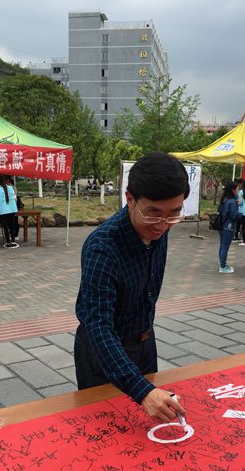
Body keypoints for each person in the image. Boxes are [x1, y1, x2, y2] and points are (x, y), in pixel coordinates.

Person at [74, 152, 189, 423]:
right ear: (130, 199)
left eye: (174, 214)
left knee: (150, 427)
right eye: (153, 214)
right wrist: (142, 391)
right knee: (105, 428)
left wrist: (146, 390)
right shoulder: (103, 248)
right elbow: (99, 326)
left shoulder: (158, 230)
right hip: (103, 353)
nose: (162, 225)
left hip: (145, 342)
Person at [218, 181, 239, 273]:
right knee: (225, 247)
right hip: (229, 226)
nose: (238, 191)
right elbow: (233, 215)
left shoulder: (224, 199)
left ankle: (222, 264)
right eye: (237, 189)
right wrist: (240, 214)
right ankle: (223, 267)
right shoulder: (232, 202)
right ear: (233, 190)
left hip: (222, 225)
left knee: (222, 246)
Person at [0, 174, 18, 248]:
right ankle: (13, 241)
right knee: (12, 226)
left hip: (3, 210)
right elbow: (15, 198)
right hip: (12, 209)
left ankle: (8, 242)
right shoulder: (11, 188)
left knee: (6, 226)